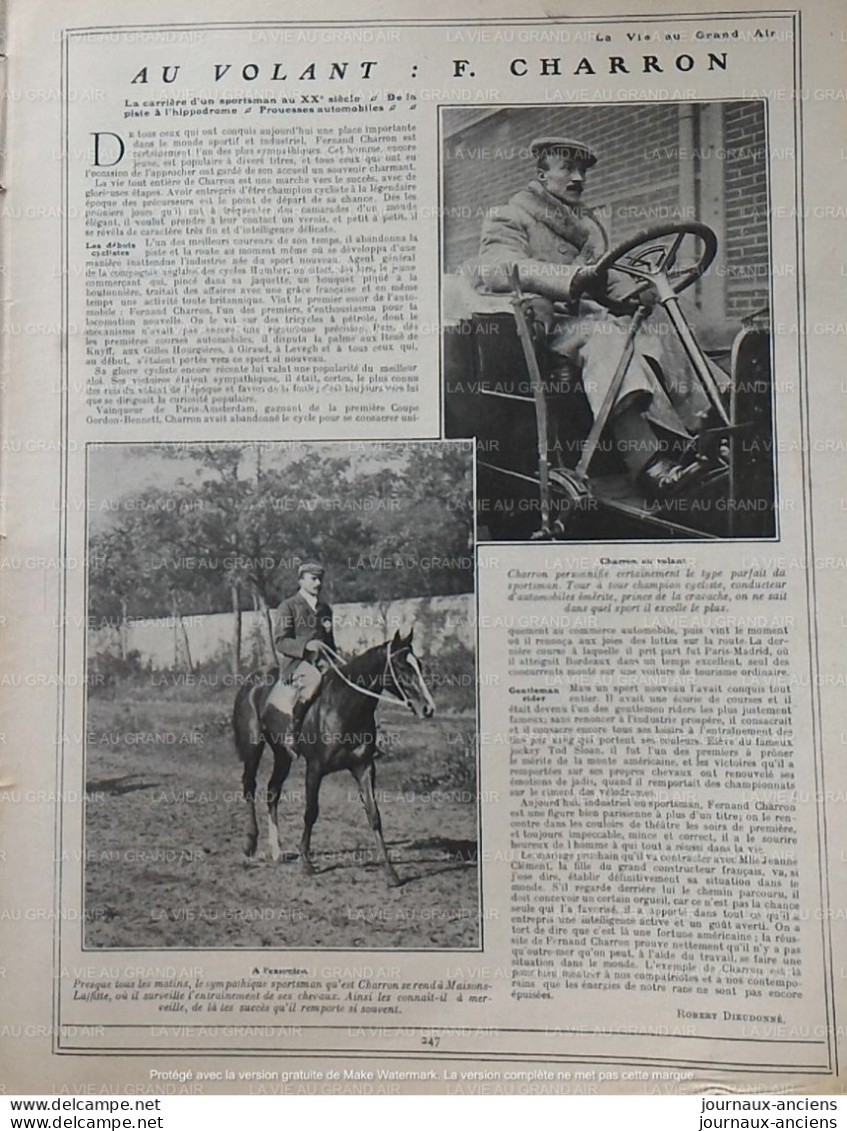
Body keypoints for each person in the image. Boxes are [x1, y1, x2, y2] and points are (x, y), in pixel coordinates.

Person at [464, 136, 723, 497]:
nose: (578, 178)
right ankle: (650, 468)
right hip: (547, 325)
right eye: (567, 168)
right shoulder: (510, 216)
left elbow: (610, 276)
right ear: (542, 174)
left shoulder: (589, 227)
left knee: (661, 323)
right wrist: (568, 278)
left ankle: (712, 432)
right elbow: (496, 268)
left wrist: (646, 288)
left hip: (592, 318)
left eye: (582, 170)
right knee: (606, 337)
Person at [272, 561, 337, 735]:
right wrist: (307, 647)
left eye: (320, 579)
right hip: (295, 663)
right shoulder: (288, 606)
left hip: (323, 661)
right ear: (300, 581)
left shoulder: (324, 608)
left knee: (348, 681)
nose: (318, 584)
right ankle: (293, 730)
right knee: (314, 680)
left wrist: (336, 662)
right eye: (313, 579)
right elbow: (280, 641)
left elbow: (330, 642)